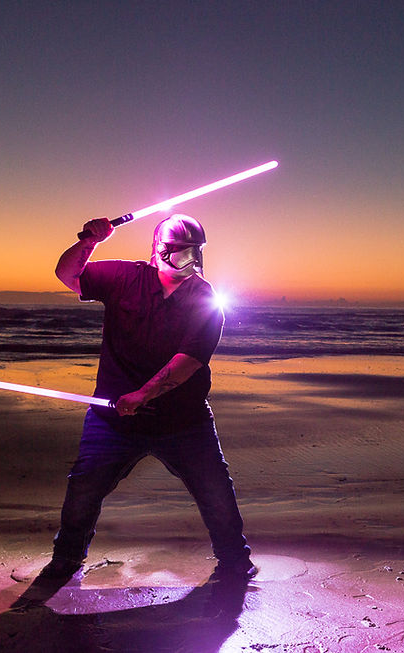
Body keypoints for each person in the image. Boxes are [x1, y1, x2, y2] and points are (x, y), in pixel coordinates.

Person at [38, 213, 254, 584]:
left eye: (190, 253)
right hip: (112, 420)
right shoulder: (124, 277)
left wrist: (144, 393)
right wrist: (90, 241)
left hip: (183, 421)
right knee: (84, 488)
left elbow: (190, 360)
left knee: (215, 490)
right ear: (156, 250)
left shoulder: (206, 298)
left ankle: (235, 560)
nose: (183, 261)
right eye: (174, 252)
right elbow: (67, 275)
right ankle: (66, 558)